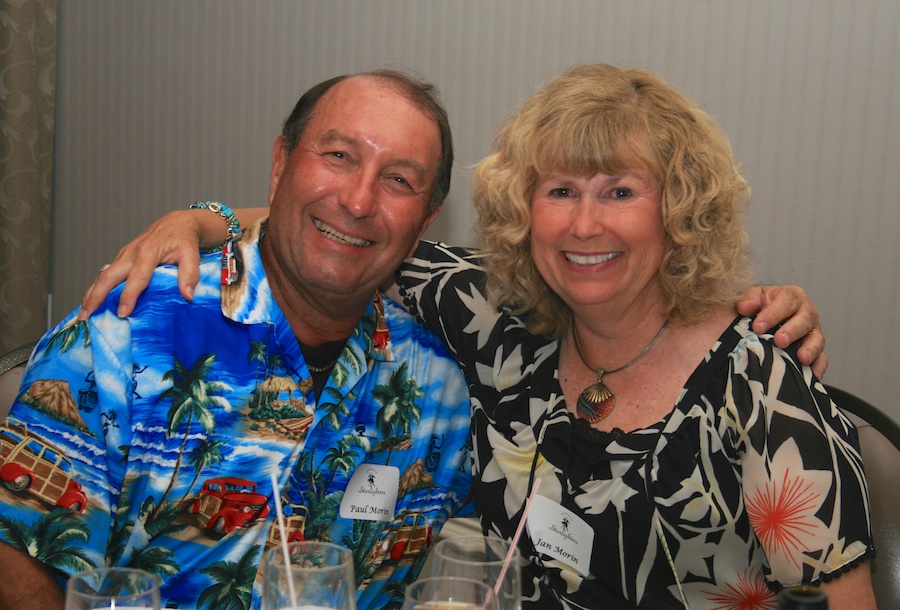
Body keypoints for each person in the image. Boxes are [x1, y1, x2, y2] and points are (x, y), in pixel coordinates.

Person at [77, 65, 838, 609]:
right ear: (524, 209)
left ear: (680, 211)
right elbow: (337, 228)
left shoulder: (758, 379)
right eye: (561, 191)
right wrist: (196, 221)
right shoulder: (495, 318)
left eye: (621, 192)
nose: (584, 224)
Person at [0, 70, 474, 610]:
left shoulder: (437, 393)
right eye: (338, 156)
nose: (359, 200)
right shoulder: (128, 331)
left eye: (398, 181)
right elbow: (18, 551)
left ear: (426, 221)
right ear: (280, 166)